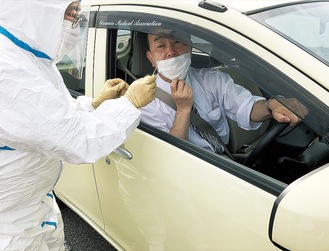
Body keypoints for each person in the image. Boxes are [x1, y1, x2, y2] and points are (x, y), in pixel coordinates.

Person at [0, 1, 155, 250]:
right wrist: (129, 103)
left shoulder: (29, 58)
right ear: (36, 9)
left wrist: (94, 103)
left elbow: (51, 117)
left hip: (33, 208)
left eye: (76, 15)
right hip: (10, 227)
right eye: (70, 14)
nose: (74, 25)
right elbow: (76, 140)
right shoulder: (7, 70)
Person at [140, 31, 307, 154]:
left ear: (190, 47)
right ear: (151, 59)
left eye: (177, 41)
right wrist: (183, 110)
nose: (171, 51)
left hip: (221, 162)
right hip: (185, 172)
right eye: (161, 45)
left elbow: (246, 107)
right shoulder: (144, 101)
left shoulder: (213, 79)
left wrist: (272, 105)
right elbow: (170, 155)